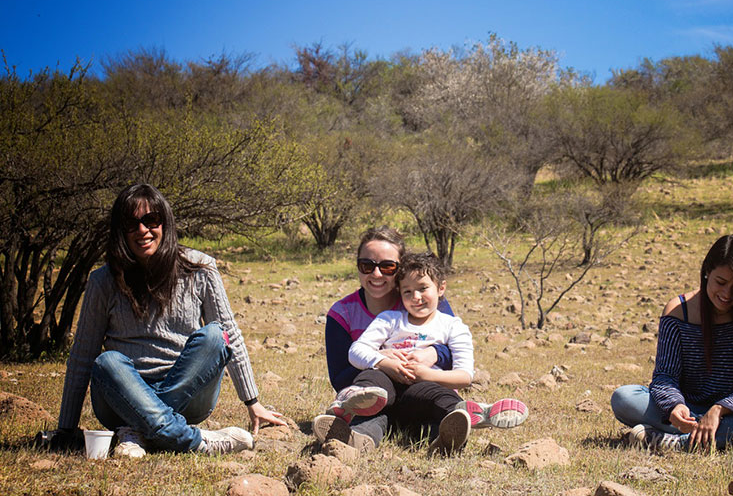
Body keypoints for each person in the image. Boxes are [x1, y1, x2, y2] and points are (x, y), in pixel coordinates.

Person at [53, 183, 285, 456]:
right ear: (120, 231)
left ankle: (137, 431)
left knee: (214, 335)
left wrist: (252, 401)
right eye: (131, 223)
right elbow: (83, 353)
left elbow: (229, 335)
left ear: (165, 223)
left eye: (151, 220)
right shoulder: (103, 281)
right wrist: (66, 428)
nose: (142, 230)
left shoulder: (200, 269)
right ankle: (194, 441)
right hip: (119, 396)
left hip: (189, 393)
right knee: (107, 362)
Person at [314, 227, 527, 452]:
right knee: (373, 399)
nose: (376, 274)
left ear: (400, 270)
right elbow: (342, 371)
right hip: (380, 398)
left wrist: (432, 354)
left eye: (387, 266)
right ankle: (353, 433)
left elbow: (456, 359)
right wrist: (381, 359)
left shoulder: (426, 304)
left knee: (435, 411)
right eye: (367, 265)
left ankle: (463, 419)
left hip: (420, 393)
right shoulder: (367, 316)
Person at [610, 234, 733, 452]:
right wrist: (674, 407)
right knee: (624, 398)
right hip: (689, 410)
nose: (727, 294)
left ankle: (680, 443)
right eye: (721, 282)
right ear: (707, 271)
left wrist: (720, 409)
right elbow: (664, 376)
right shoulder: (679, 311)